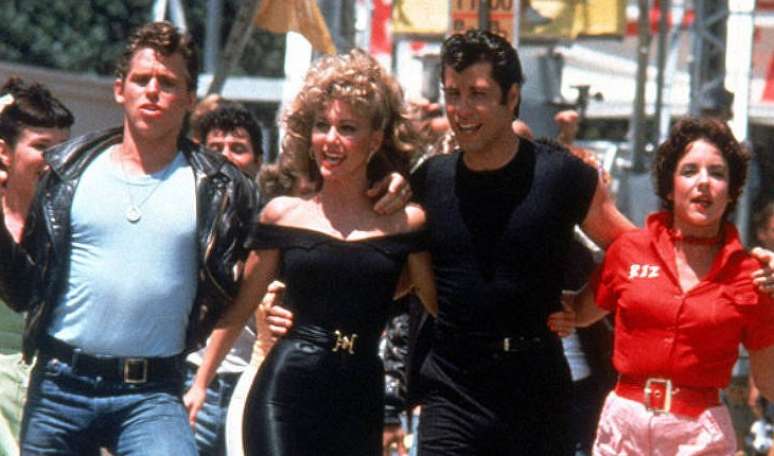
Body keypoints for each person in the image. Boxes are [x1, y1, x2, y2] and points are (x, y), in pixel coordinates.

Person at [0, 22, 260, 456]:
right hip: (61, 385)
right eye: (142, 79)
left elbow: (277, 242)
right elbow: (24, 291)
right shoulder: (66, 171)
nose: (152, 91)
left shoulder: (222, 188)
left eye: (168, 83)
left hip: (152, 394)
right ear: (120, 89)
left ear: (190, 97)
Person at [189, 49, 438, 456]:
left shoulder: (406, 224)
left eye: (347, 128)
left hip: (360, 395)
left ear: (375, 140)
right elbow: (238, 309)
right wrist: (199, 383)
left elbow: (437, 305)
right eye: (322, 125)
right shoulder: (283, 214)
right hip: (284, 391)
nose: (330, 139)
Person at [571, 117, 774, 455]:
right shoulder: (628, 250)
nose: (704, 182)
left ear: (731, 193)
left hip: (699, 435)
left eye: (717, 174)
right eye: (689, 171)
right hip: (624, 427)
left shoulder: (753, 276)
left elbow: (769, 381)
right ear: (669, 187)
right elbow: (576, 313)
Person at [181, 103, 263, 456]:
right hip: (189, 377)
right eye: (215, 148)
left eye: (238, 148)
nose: (226, 156)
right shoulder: (181, 222)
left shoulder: (275, 228)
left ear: (258, 161)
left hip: (251, 383)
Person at [0, 76, 73, 456]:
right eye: (42, 147)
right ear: (4, 152)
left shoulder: (74, 228)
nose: (55, 162)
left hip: (45, 388)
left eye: (63, 150)